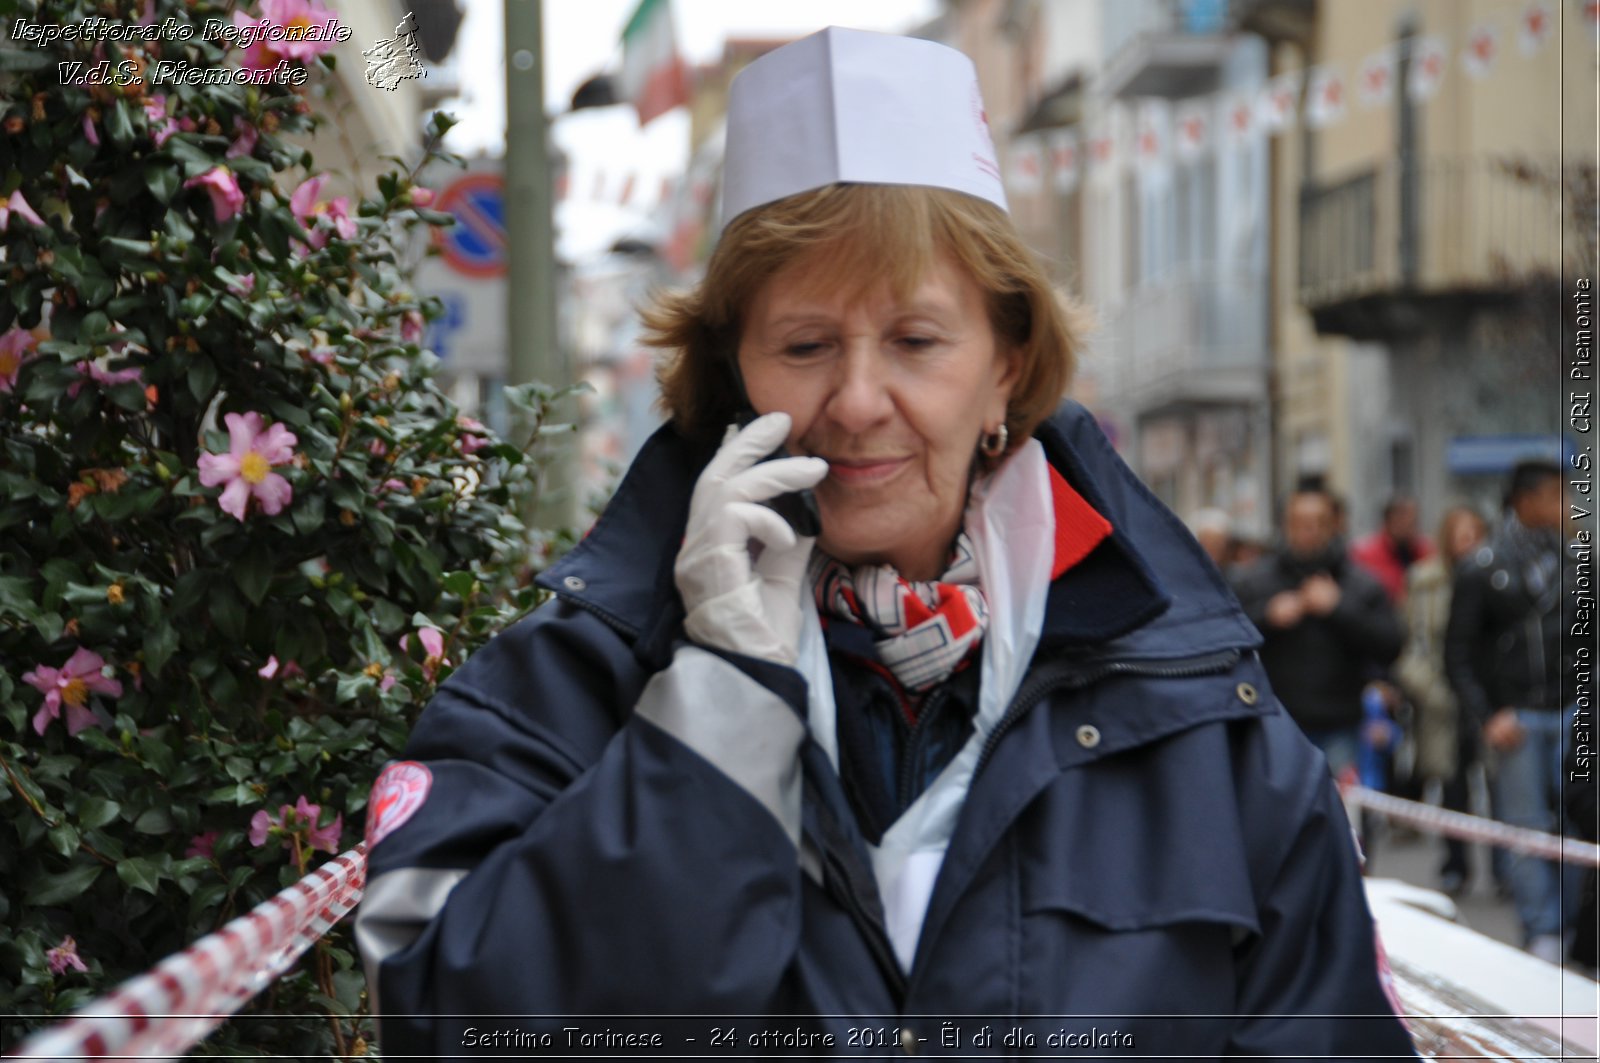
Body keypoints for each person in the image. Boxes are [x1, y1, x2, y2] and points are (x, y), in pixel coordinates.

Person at [354, 28, 1415, 1057]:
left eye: (915, 340)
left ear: (1007, 364)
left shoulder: (1201, 714)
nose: (858, 402)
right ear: (732, 376)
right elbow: (448, 1022)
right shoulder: (572, 677)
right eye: (805, 344)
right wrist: (719, 701)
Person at [1445, 459, 1577, 963]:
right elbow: (1457, 654)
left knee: (1576, 823)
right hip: (1516, 716)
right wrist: (1489, 713)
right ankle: (1541, 929)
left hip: (1570, 713)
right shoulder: (1483, 566)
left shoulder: (1575, 562)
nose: (1567, 508)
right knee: (1524, 827)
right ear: (1527, 501)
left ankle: (1570, 927)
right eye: (1557, 498)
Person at [1231, 488, 1405, 779]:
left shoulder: (1361, 583)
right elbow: (1227, 640)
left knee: (1342, 819)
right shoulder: (1256, 581)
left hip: (1341, 726)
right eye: (1299, 522)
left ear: (1333, 524)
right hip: (1276, 725)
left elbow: (1391, 645)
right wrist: (1267, 617)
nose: (1308, 531)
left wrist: (1339, 608)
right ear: (1286, 525)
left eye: (1317, 522)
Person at [1393, 505, 1488, 895]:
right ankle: (1455, 863)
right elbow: (1409, 642)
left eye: (1475, 534)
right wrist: (1428, 690)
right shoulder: (1424, 580)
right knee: (1451, 782)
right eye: (1461, 534)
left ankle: (1504, 869)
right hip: (1440, 695)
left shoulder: (1495, 578)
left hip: (1486, 694)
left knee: (1497, 780)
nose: (1468, 543)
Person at [1351, 496, 1434, 606]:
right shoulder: (1364, 554)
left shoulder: (1425, 551)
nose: (1409, 526)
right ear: (1388, 520)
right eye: (1402, 518)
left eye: (1413, 521)